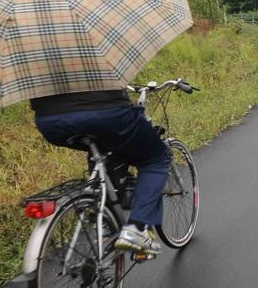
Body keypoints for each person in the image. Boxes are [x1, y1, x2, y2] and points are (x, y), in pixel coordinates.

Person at [30, 89, 170, 256]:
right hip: (106, 114)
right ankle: (137, 230)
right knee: (155, 158)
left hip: (50, 123)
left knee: (102, 146)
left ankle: (105, 219)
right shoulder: (94, 64)